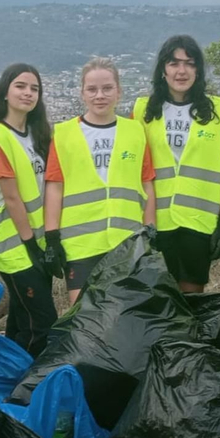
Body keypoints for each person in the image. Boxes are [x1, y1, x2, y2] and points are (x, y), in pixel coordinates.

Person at [42, 57, 157, 300]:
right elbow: (54, 187)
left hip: (127, 242)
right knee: (82, 319)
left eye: (107, 88)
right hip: (80, 244)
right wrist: (51, 238)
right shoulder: (64, 134)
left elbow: (147, 183)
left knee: (123, 317)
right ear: (82, 93)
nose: (99, 95)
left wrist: (149, 229)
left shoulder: (135, 131)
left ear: (119, 91)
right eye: (92, 89)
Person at [134, 35, 220, 293]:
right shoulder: (141, 111)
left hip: (199, 224)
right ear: (163, 70)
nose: (182, 71)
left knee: (192, 304)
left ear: (198, 70)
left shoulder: (218, 111)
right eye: (174, 63)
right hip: (156, 225)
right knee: (158, 303)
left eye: (189, 63)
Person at [0, 63, 55, 354]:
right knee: (43, 321)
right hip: (16, 247)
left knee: (21, 318)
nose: (28, 93)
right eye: (21, 86)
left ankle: (8, 381)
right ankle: (30, 383)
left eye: (34, 88)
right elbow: (11, 198)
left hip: (37, 242)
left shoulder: (38, 134)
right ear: (5, 93)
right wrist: (31, 245)